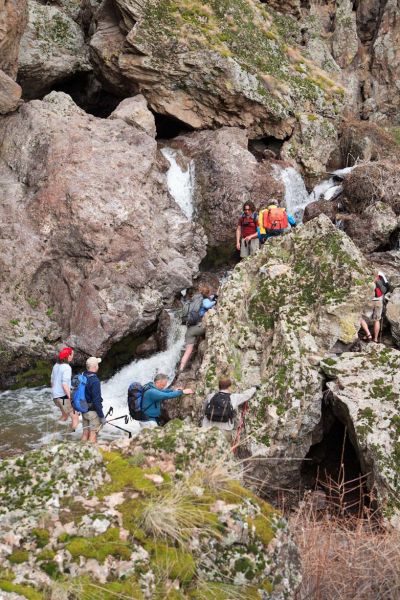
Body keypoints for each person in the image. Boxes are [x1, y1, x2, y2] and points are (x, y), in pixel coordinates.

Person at [179, 284, 216, 372]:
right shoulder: (205, 300)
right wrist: (215, 302)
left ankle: (181, 368)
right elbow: (207, 305)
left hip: (189, 329)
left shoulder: (194, 299)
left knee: (188, 351)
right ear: (208, 293)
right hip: (199, 327)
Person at [51, 347, 79, 429]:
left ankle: (54, 431)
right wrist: (70, 398)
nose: (72, 356)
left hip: (55, 397)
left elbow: (52, 381)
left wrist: (55, 392)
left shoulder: (56, 365)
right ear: (68, 356)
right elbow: (64, 384)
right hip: (63, 397)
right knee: (75, 417)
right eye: (72, 355)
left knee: (65, 415)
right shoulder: (67, 367)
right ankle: (73, 434)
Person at [81, 356, 105, 443]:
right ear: (95, 366)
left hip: (83, 409)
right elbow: (97, 401)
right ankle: (91, 454)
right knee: (93, 434)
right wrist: (102, 416)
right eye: (98, 364)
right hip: (92, 413)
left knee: (85, 434)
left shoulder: (83, 375)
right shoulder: (95, 381)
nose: (98, 366)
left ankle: (80, 451)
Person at [360, 272, 389, 343]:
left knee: (360, 317)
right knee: (377, 320)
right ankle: (375, 339)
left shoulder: (366, 273)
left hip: (370, 301)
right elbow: (387, 287)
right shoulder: (381, 274)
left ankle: (368, 335)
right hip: (379, 300)